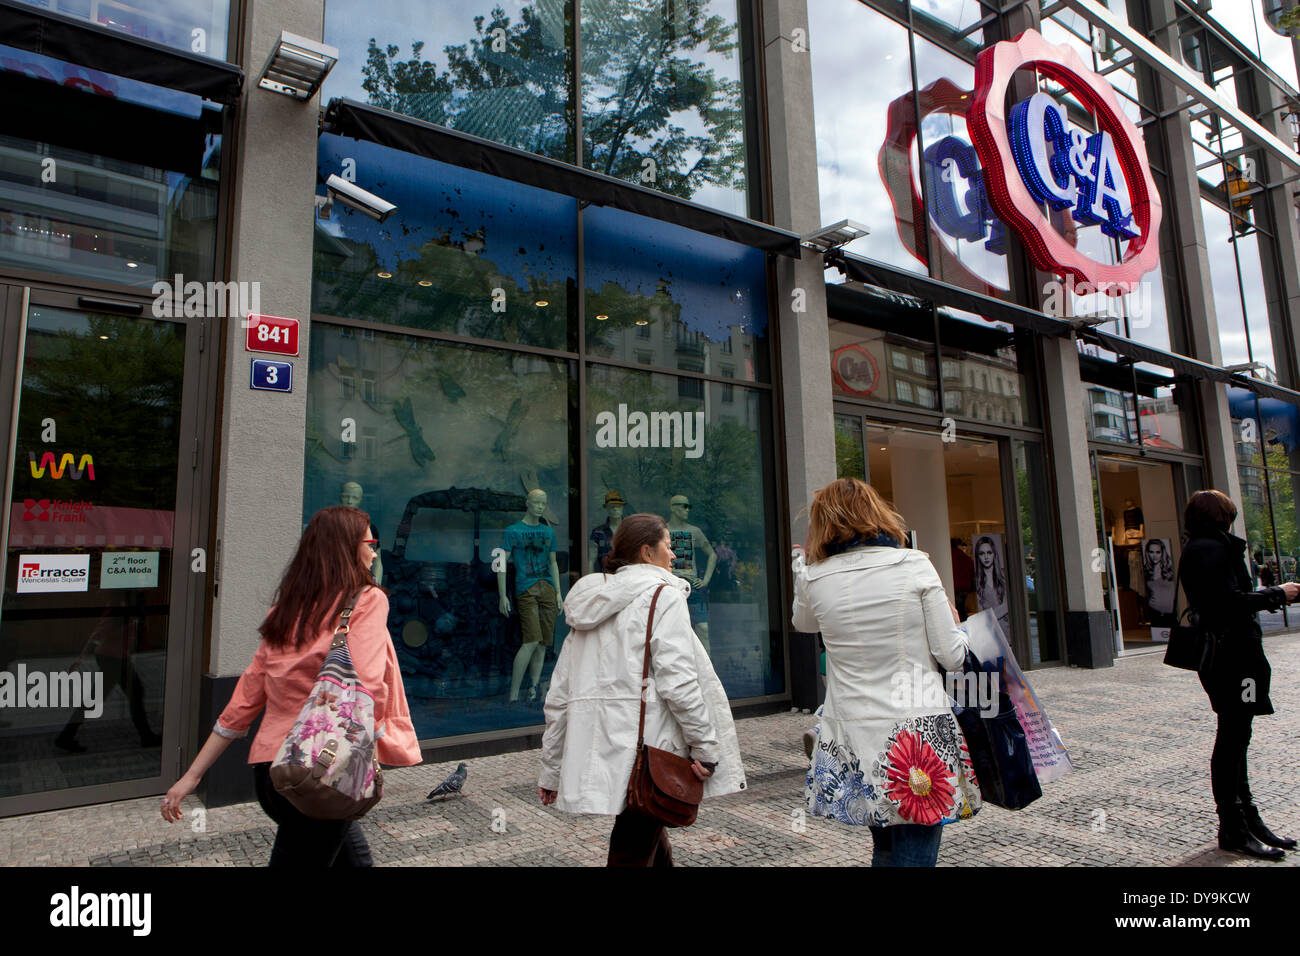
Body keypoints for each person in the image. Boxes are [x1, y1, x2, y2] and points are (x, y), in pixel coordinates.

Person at [160, 506, 421, 866]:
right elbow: (367, 685)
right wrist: (376, 748)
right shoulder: (367, 601)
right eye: (369, 541)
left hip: (272, 775)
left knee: (355, 862)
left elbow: (242, 703)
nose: (375, 550)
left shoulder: (284, 611)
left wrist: (192, 776)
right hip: (323, 770)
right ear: (346, 547)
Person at [537, 513, 745, 867]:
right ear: (647, 552)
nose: (675, 555)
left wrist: (552, 769)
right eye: (668, 545)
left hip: (617, 753)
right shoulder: (664, 595)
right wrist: (706, 745)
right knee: (632, 846)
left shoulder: (590, 603)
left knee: (643, 826)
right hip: (648, 752)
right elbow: (678, 680)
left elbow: (559, 697)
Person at [793, 479, 979, 867]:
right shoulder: (913, 564)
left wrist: (803, 564)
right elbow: (952, 657)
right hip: (918, 729)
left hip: (854, 730)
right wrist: (958, 626)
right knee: (915, 850)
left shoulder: (815, 578)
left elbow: (804, 624)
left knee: (887, 844)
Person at [1177, 490, 1298, 860]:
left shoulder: (1208, 547)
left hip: (1234, 659)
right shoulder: (1208, 550)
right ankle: (1232, 826)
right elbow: (1225, 604)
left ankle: (1248, 820)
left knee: (1237, 735)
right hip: (1231, 661)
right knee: (1232, 738)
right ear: (1221, 516)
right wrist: (1277, 593)